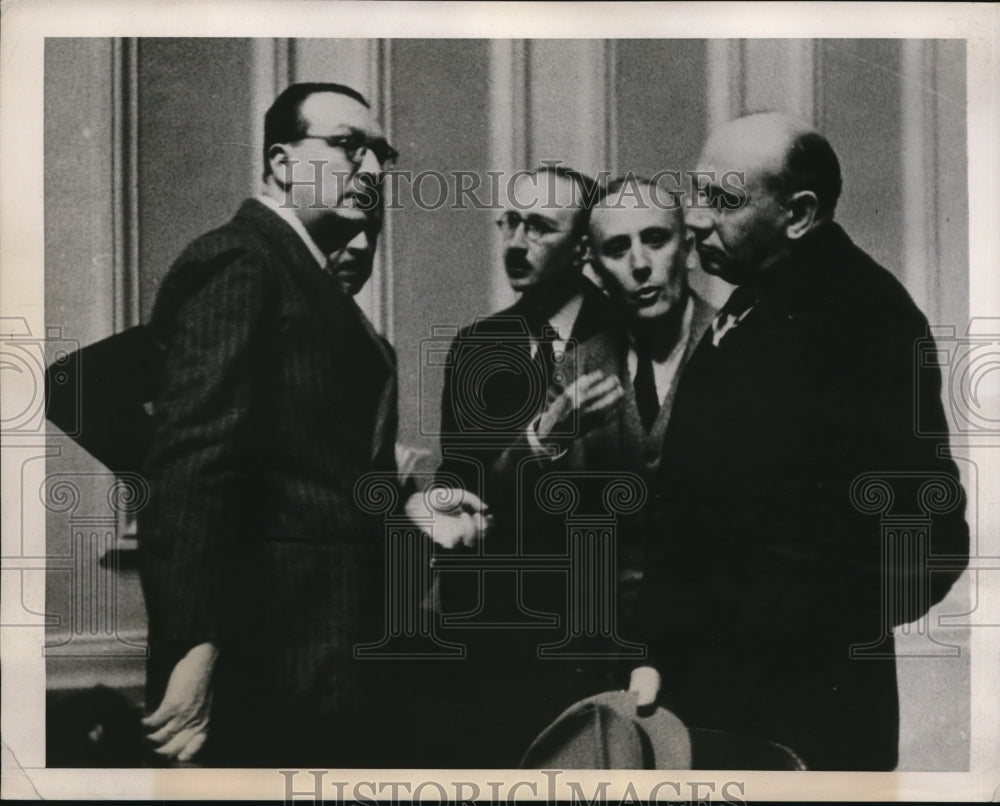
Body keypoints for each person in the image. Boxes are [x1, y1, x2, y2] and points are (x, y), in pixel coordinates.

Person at [136, 82, 487, 767]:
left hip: (318, 655)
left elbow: (310, 472)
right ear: (280, 163)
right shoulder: (242, 260)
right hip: (261, 661)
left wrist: (408, 504)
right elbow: (193, 465)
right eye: (348, 145)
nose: (374, 169)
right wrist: (194, 648)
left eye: (381, 152)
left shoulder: (300, 275)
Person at [629, 113, 970, 770]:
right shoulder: (754, 294)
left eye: (723, 201)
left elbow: (932, 541)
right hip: (710, 709)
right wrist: (658, 653)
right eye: (696, 194)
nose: (695, 220)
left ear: (799, 213)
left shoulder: (868, 318)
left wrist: (789, 633)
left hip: (806, 726)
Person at [426, 165, 621, 767]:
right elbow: (459, 485)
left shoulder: (631, 335)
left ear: (583, 246)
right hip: (495, 634)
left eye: (539, 227)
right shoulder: (478, 344)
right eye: (509, 222)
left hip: (597, 631)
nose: (515, 242)